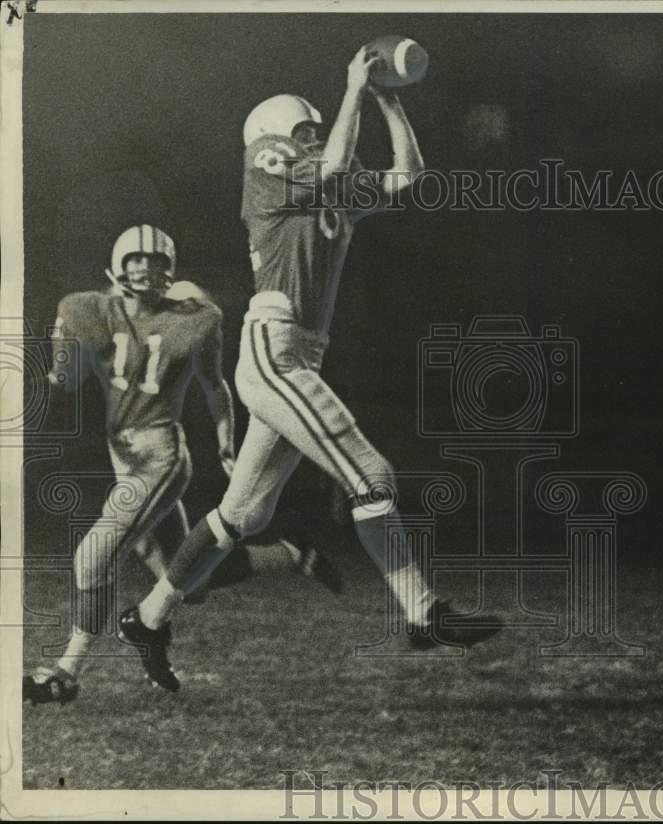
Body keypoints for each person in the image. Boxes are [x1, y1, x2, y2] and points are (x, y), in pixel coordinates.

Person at [117, 47, 500, 693]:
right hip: (274, 346)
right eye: (303, 131)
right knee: (371, 474)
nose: (313, 139)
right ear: (273, 138)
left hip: (296, 351)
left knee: (243, 516)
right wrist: (353, 85)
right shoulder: (265, 169)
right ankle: (421, 612)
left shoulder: (320, 182)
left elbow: (409, 174)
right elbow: (334, 164)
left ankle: (149, 618)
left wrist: (387, 98)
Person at [23, 225, 236, 705]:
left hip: (160, 454)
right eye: (137, 259)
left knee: (91, 556)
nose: (147, 268)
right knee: (192, 582)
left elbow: (214, 386)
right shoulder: (92, 309)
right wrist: (60, 355)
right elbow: (67, 382)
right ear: (118, 263)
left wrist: (226, 443)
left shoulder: (194, 319)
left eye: (158, 261)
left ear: (171, 270)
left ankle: (66, 673)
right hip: (123, 455)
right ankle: (287, 554)